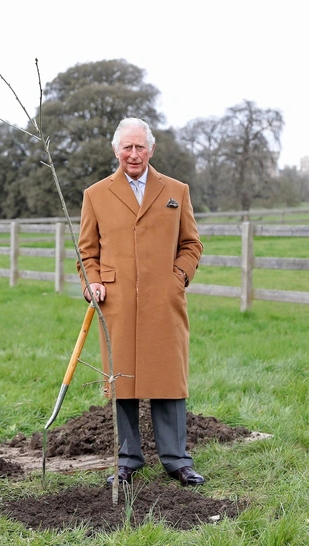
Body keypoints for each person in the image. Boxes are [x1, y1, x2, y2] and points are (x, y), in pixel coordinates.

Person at [77, 118, 205, 487]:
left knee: (167, 378)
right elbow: (87, 252)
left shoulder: (175, 191)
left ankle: (177, 460)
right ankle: (127, 459)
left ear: (151, 150)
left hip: (164, 301)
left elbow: (191, 244)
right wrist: (94, 283)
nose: (134, 154)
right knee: (123, 380)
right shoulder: (96, 194)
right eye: (127, 148)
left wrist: (177, 277)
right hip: (116, 303)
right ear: (116, 151)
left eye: (140, 147)